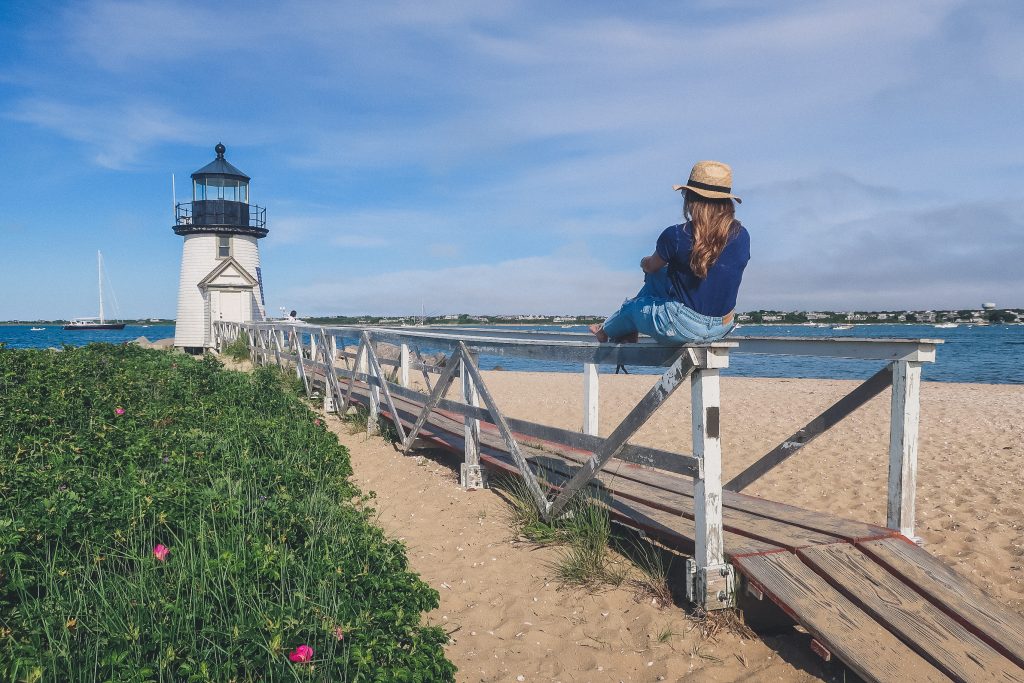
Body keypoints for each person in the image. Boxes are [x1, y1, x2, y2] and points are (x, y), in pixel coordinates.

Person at [590, 160, 750, 345]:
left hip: (683, 326)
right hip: (722, 327)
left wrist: (643, 262)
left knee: (633, 308)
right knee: (658, 277)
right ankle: (623, 330)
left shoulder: (676, 234)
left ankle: (605, 330)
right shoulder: (742, 235)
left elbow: (650, 266)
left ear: (692, 199)